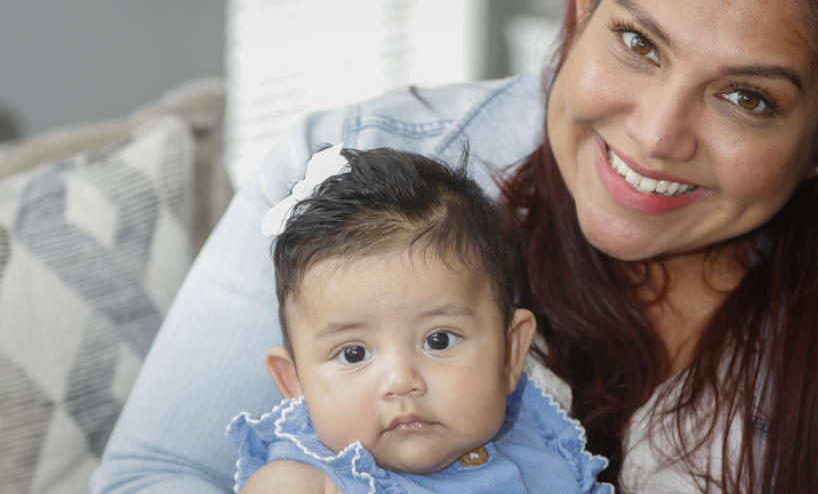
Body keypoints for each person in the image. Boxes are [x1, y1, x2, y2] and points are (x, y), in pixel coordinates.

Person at [92, 0, 818, 491]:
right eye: (637, 43)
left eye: (746, 98)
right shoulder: (344, 173)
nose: (657, 135)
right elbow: (154, 475)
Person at [226, 145, 612, 493]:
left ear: (510, 353)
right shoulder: (302, 483)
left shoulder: (546, 452)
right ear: (295, 381)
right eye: (354, 353)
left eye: (439, 340)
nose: (401, 381)